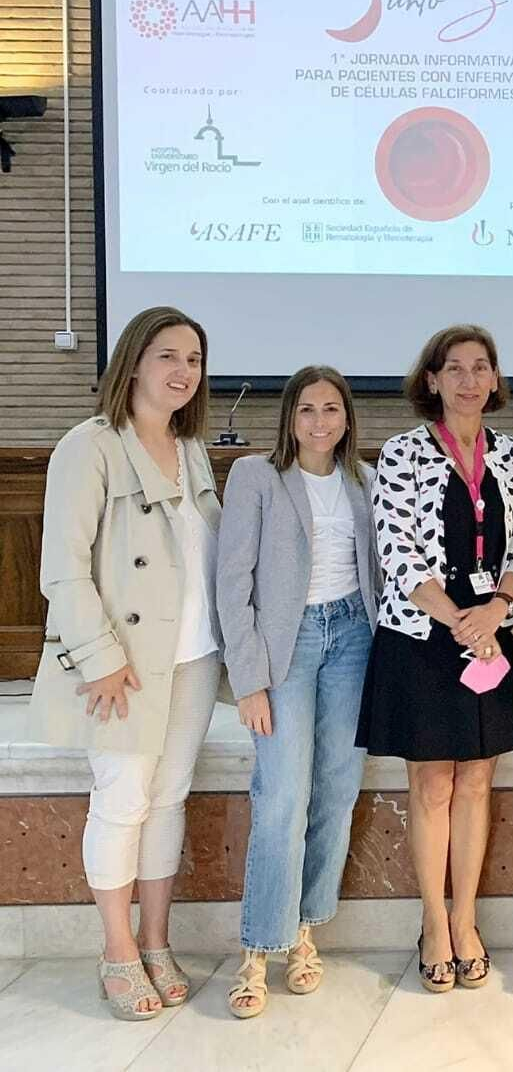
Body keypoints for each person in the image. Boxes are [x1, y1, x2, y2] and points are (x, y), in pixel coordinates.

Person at [27, 306, 221, 1020]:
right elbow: (62, 571)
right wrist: (100, 659)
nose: (182, 371)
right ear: (133, 361)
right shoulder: (90, 446)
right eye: (168, 355)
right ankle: (116, 951)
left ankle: (157, 941)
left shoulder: (191, 445)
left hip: (194, 657)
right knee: (123, 801)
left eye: (194, 360)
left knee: (169, 799)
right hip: (125, 665)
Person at [357, 325, 513, 994]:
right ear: (430, 379)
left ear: (494, 380)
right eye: (452, 368)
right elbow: (397, 552)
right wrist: (460, 618)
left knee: (479, 781)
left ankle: (466, 920)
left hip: (493, 632)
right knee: (432, 784)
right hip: (424, 638)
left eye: (479, 367)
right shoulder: (401, 452)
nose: (466, 379)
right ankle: (432, 922)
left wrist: (495, 611)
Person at [216, 366, 379, 1019]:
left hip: (353, 638)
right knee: (282, 794)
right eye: (307, 409)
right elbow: (234, 581)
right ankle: (258, 948)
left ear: (346, 418)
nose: (319, 421)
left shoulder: (362, 481)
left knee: (337, 791)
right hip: (290, 645)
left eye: (331, 409)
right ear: (289, 417)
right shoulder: (257, 476)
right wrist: (248, 679)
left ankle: (304, 931)